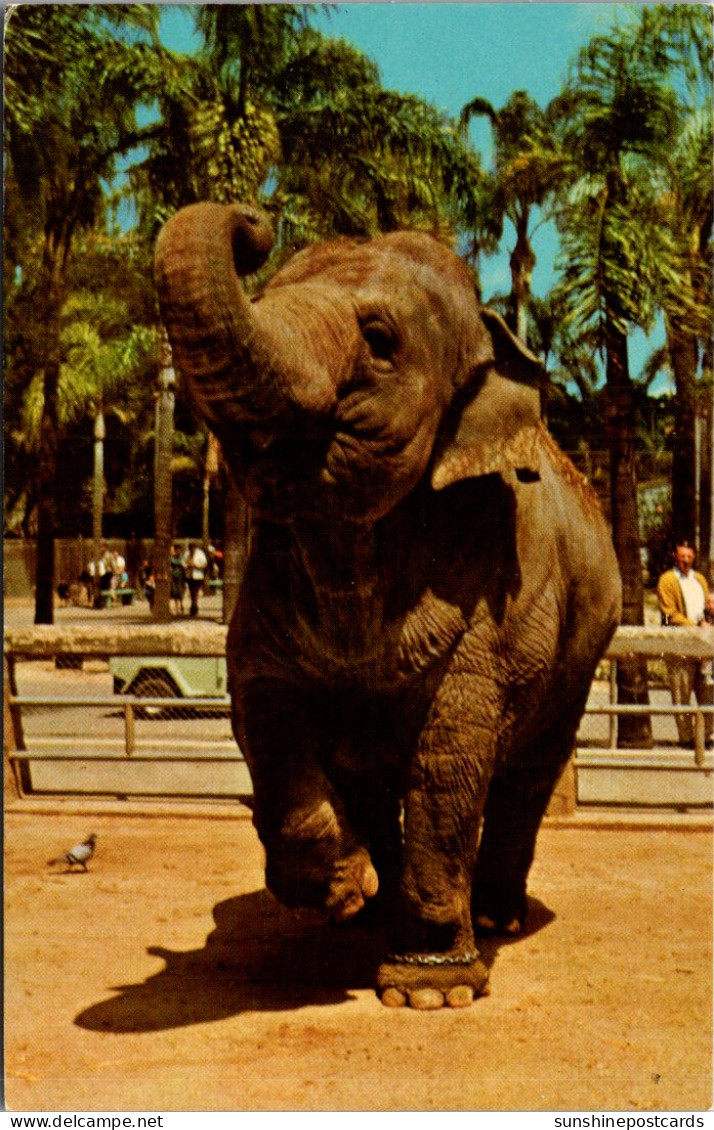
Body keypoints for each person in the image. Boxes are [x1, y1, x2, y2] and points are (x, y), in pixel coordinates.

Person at [657, 539, 713, 748]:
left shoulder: (700, 579)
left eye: (689, 557)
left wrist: (707, 621)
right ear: (675, 557)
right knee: (681, 691)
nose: (686, 561)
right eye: (682, 557)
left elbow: (707, 606)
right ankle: (687, 739)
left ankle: (706, 736)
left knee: (707, 689)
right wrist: (695, 625)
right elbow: (670, 614)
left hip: (703, 644)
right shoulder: (667, 580)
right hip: (681, 644)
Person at [183, 541, 208, 617]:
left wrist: (195, 565)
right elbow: (183, 563)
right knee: (192, 592)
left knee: (195, 592)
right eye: (190, 548)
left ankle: (194, 607)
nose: (191, 550)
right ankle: (194, 605)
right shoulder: (187, 554)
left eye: (193, 548)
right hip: (189, 575)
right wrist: (187, 564)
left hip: (197, 575)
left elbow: (204, 564)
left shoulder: (200, 554)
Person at [170, 543, 186, 615]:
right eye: (177, 550)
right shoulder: (172, 558)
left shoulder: (182, 558)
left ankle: (181, 605)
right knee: (175, 591)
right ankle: (177, 608)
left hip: (181, 576)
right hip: (174, 576)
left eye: (180, 550)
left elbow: (184, 565)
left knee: (180, 591)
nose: (178, 551)